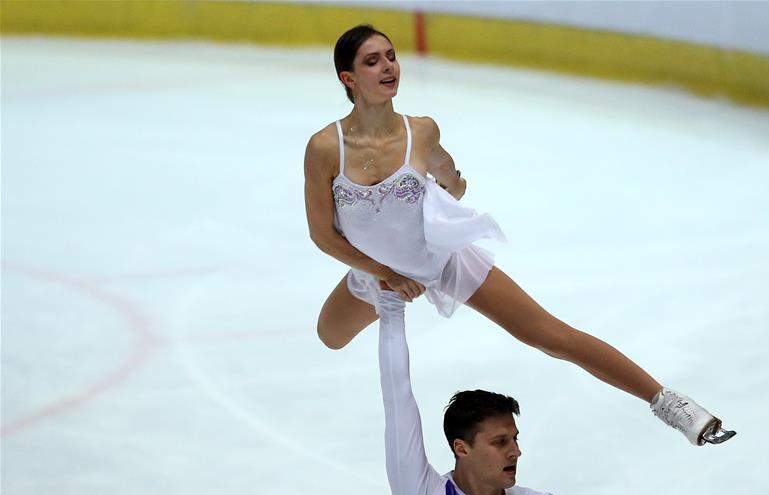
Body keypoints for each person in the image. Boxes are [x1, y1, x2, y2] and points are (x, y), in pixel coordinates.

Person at [304, 23, 735, 445]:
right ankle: (384, 280)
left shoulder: (422, 131)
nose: (388, 67)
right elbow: (322, 235)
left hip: (441, 260)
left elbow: (450, 176)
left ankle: (671, 404)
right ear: (348, 78)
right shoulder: (326, 147)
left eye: (392, 56)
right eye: (373, 61)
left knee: (549, 336)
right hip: (376, 272)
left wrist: (447, 192)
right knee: (330, 336)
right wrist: (384, 271)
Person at [375, 289, 746, 495]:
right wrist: (391, 305)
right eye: (500, 442)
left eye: (516, 439)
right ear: (462, 448)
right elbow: (398, 398)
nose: (516, 451)